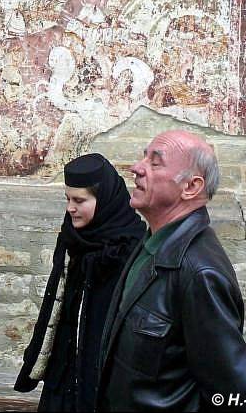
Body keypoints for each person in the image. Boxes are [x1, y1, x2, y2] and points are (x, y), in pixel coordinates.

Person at [96, 130, 246, 411]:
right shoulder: (153, 241)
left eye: (155, 162)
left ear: (191, 187)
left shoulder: (200, 273)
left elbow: (231, 394)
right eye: (143, 157)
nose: (136, 168)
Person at [16, 153, 145, 412]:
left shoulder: (131, 248)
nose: (70, 208)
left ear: (105, 200)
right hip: (63, 375)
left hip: (104, 384)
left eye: (79, 200)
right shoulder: (72, 237)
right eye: (67, 199)